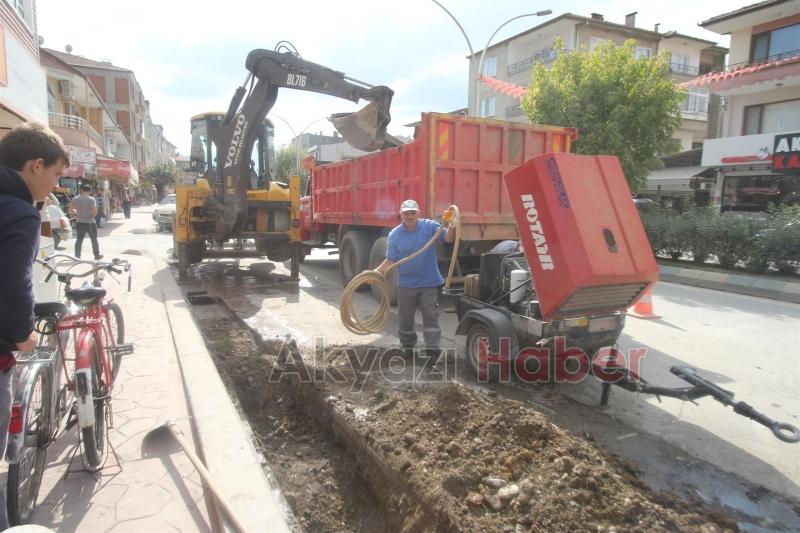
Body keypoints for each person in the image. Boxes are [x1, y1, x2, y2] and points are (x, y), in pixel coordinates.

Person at [0, 122, 69, 530]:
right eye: (56, 175)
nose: (56, 186)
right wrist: (23, 334)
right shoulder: (19, 211)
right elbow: (14, 282)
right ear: (35, 165)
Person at [375, 199, 457, 357]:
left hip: (429, 283)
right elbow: (390, 260)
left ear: (418, 213)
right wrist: (375, 273)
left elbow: (448, 239)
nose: (409, 216)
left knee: (431, 318)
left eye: (412, 213)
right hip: (406, 285)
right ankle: (407, 347)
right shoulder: (395, 235)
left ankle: (433, 350)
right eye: (406, 213)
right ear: (401, 214)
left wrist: (452, 226)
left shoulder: (430, 226)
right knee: (405, 319)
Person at [70, 184, 102, 259]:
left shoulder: (75, 199)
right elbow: (94, 211)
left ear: (81, 190)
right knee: (93, 239)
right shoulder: (91, 199)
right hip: (90, 222)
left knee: (79, 239)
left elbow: (70, 209)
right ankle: (96, 255)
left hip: (79, 222)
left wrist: (77, 213)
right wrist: (92, 215)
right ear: (90, 191)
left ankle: (77, 256)